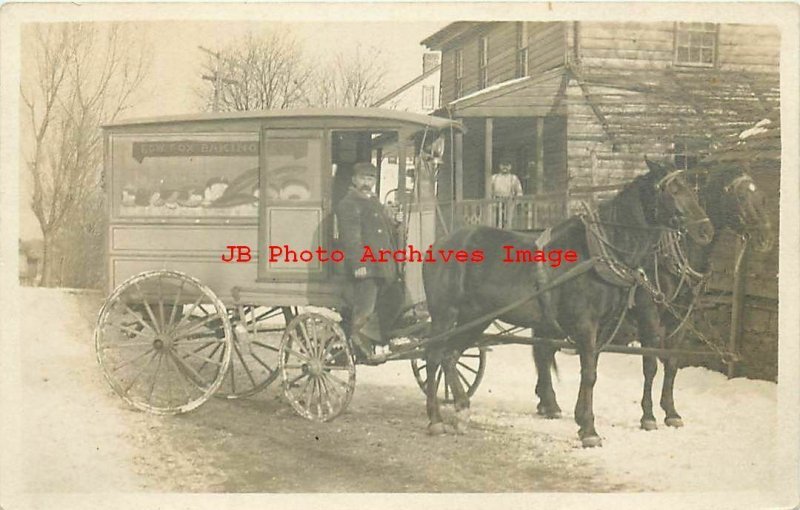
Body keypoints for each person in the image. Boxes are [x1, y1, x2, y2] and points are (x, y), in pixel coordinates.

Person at [335, 162, 405, 364]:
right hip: (367, 267)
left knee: (396, 297)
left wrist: (395, 222)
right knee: (365, 307)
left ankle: (375, 337)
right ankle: (358, 341)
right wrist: (360, 265)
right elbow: (352, 239)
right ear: (354, 180)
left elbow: (383, 232)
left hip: (382, 265)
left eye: (371, 179)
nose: (367, 183)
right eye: (363, 178)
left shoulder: (373, 202)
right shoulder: (349, 204)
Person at [490, 157, 523, 227]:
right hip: (496, 203)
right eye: (503, 165)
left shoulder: (513, 178)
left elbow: (519, 193)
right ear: (499, 166)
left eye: (507, 165)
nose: (505, 167)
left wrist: (514, 203)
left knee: (508, 223)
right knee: (496, 223)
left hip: (509, 203)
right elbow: (489, 191)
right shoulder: (494, 178)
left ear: (510, 167)